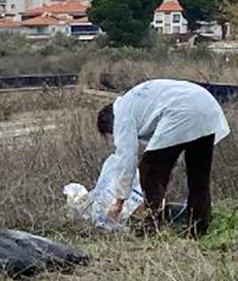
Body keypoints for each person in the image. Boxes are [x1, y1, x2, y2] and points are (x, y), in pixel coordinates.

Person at [93, 79, 230, 236]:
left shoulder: (122, 115)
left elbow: (126, 158)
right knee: (199, 178)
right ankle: (198, 229)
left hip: (182, 111)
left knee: (149, 170)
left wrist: (119, 201)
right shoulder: (134, 100)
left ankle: (150, 226)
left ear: (110, 125)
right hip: (207, 105)